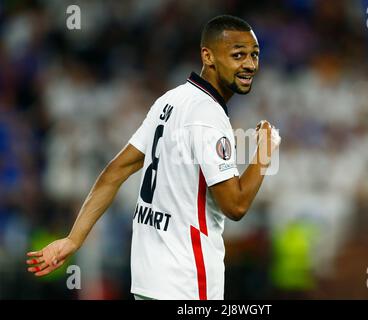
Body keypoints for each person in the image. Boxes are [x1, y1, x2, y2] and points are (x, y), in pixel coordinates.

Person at [26, 14, 281, 300]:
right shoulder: (208, 116)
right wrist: (265, 152)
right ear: (208, 56)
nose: (249, 64)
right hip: (187, 284)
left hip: (149, 281)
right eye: (238, 55)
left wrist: (74, 239)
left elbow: (115, 172)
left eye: (254, 55)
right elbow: (235, 205)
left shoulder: (169, 101)